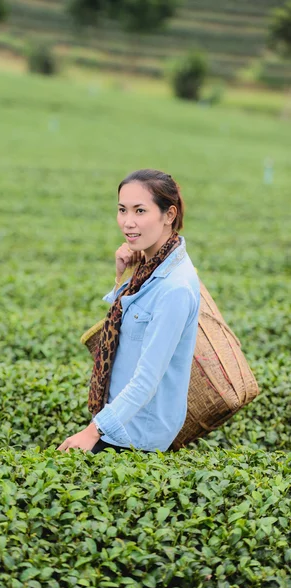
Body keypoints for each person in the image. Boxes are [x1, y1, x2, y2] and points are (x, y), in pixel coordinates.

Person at [58, 169, 200, 454]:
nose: (128, 222)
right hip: (120, 419)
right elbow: (125, 328)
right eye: (122, 210)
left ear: (169, 215)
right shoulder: (152, 265)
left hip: (137, 435)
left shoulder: (175, 287)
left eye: (140, 211)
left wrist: (92, 431)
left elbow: (147, 380)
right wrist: (122, 277)